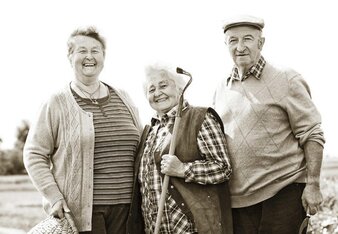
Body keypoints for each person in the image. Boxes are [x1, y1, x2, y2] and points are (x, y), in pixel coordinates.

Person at [23, 26, 142, 233]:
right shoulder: (57, 102)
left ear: (104, 56)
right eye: (82, 50)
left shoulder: (124, 97)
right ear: (70, 57)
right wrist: (54, 197)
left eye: (95, 50)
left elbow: (142, 147)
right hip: (83, 214)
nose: (90, 56)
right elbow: (34, 154)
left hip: (129, 211)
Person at [213, 15, 325, 233]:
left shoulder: (286, 78)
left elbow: (312, 133)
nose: (240, 47)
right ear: (225, 45)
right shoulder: (221, 88)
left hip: (283, 192)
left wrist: (313, 184)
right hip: (239, 201)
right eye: (233, 41)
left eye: (248, 39)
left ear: (261, 43)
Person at [127, 64, 233, 234]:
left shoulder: (200, 118)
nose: (157, 93)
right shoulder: (149, 131)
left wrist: (183, 169)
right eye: (151, 89)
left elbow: (223, 168)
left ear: (179, 88)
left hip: (190, 228)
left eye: (163, 85)